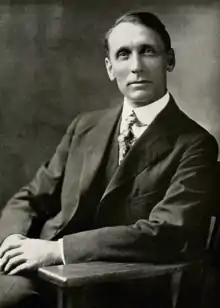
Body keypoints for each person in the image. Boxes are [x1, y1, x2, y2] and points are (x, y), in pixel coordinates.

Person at [0, 11, 218, 308]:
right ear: (109, 67)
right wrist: (11, 242)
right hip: (40, 272)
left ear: (170, 60)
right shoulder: (85, 126)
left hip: (119, 286)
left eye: (148, 52)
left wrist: (58, 251)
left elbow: (166, 233)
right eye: (124, 55)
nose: (136, 67)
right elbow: (31, 197)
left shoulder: (196, 145)